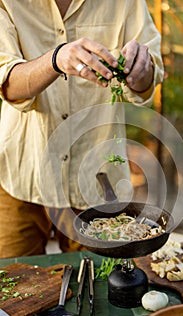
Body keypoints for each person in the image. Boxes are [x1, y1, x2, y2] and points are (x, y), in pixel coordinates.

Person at [0, 0, 164, 258]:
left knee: (99, 285)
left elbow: (147, 79)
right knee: (15, 286)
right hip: (22, 174)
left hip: (97, 180)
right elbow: (7, 82)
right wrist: (56, 59)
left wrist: (141, 70)